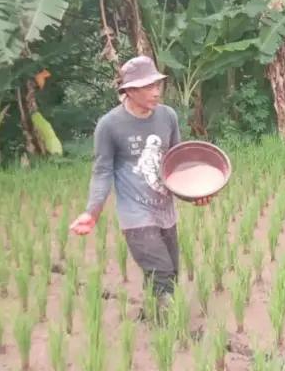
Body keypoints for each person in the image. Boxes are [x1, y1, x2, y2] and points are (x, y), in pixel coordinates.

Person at [69, 56, 212, 319]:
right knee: (161, 270)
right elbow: (102, 171)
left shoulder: (167, 116)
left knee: (169, 271)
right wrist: (92, 211)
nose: (156, 91)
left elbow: (175, 164)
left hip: (164, 210)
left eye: (157, 84)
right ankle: (171, 331)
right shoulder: (110, 125)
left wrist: (195, 196)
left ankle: (150, 315)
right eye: (148, 86)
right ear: (130, 90)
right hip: (135, 214)